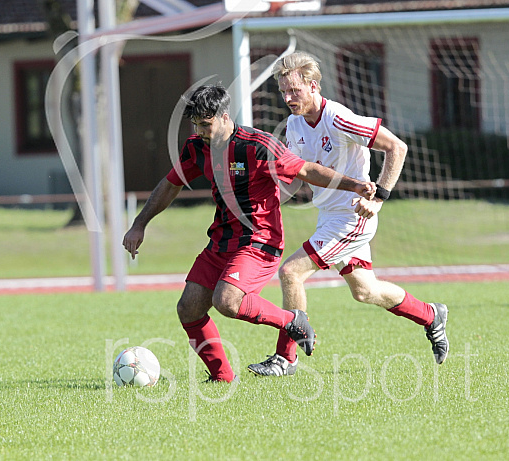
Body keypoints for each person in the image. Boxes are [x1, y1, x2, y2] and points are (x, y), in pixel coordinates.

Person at [122, 84, 376, 383]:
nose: (201, 131)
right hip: (221, 241)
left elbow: (306, 169)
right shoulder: (196, 147)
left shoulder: (257, 146)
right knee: (188, 308)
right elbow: (171, 184)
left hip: (259, 241)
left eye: (206, 124)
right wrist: (140, 223)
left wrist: (354, 185)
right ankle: (222, 378)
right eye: (196, 125)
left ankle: (293, 321)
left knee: (227, 301)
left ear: (225, 117)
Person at [247, 52, 449, 377]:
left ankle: (286, 358)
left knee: (291, 273)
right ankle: (431, 315)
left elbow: (398, 147)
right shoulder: (295, 125)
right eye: (283, 92)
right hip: (328, 216)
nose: (287, 98)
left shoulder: (339, 118)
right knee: (365, 291)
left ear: (313, 86)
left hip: (353, 217)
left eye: (294, 91)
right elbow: (301, 172)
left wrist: (379, 198)